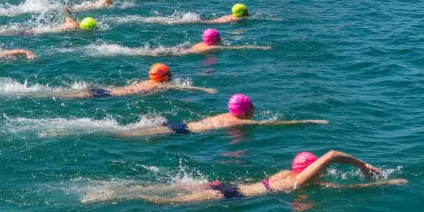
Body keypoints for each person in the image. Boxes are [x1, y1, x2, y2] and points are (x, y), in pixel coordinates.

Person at [81, 149, 405, 204]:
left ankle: (117, 189)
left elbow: (332, 183)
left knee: (169, 188)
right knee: (165, 200)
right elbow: (332, 155)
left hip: (228, 186)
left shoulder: (285, 174)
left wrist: (389, 182)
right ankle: (117, 195)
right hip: (231, 196)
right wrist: (364, 167)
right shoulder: (298, 184)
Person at [113, 94, 327, 137]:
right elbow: (278, 124)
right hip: (184, 133)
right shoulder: (238, 123)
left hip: (183, 125)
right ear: (246, 112)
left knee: (134, 131)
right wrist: (311, 121)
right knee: (131, 134)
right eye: (252, 107)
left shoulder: (227, 115)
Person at [58, 62, 216, 99]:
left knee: (72, 93)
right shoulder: (161, 87)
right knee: (73, 96)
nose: (171, 77)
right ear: (164, 77)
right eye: (169, 74)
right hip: (110, 96)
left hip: (109, 91)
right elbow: (183, 88)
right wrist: (205, 90)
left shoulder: (147, 82)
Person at [180, 29, 269, 54]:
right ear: (217, 40)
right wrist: (261, 47)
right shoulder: (215, 47)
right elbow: (236, 48)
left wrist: (235, 34)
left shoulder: (199, 44)